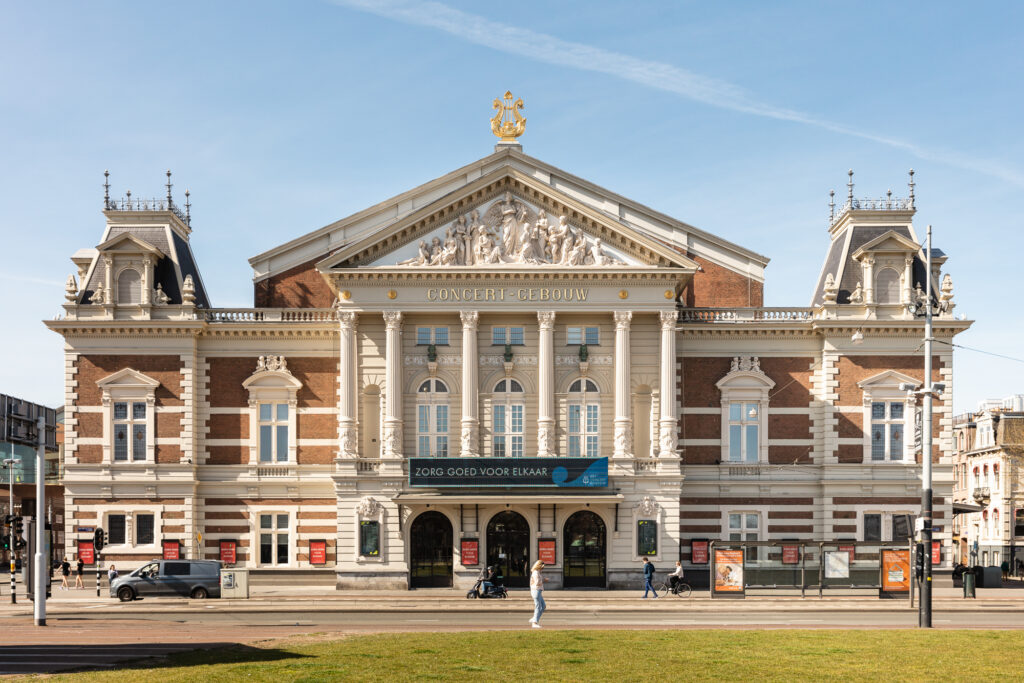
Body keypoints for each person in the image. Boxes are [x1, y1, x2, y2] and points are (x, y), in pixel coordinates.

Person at [528, 560, 545, 628]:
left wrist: (542, 579)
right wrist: (543, 580)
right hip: (536, 591)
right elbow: (537, 582)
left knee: (543, 606)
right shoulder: (535, 573)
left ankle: (534, 618)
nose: (543, 569)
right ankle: (534, 623)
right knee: (538, 606)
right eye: (542, 567)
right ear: (539, 566)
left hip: (537, 591)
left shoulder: (537, 572)